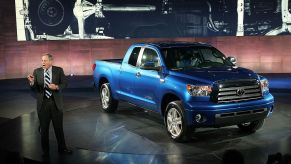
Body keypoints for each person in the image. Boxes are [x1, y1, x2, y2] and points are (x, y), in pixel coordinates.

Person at [27, 53, 72, 157]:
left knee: (58, 128)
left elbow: (64, 83)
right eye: (42, 60)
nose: (43, 62)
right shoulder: (37, 71)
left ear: (51, 61)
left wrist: (56, 87)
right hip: (43, 104)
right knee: (44, 129)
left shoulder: (59, 70)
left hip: (56, 104)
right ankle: (45, 151)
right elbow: (35, 89)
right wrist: (32, 82)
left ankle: (62, 148)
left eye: (45, 60)